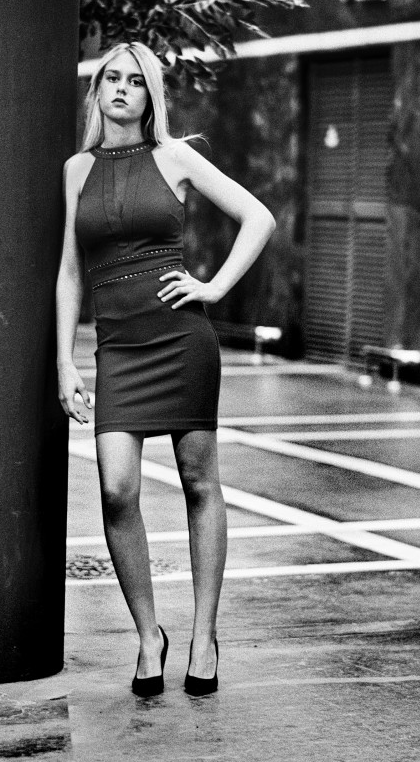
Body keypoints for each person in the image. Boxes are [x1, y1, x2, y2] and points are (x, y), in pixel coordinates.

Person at [56, 41, 275, 697]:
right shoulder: (76, 169)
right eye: (111, 79)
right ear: (97, 92)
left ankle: (204, 636)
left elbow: (258, 217)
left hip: (182, 340)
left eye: (134, 81)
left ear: (150, 95)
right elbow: (70, 273)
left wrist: (214, 286)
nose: (121, 89)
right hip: (120, 350)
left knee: (199, 482)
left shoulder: (175, 157)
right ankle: (149, 635)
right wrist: (65, 360)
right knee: (117, 490)